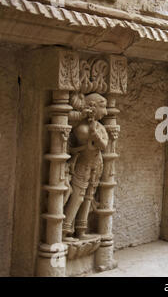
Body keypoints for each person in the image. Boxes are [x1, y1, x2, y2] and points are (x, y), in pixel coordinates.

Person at [63, 93, 109, 241]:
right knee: (78, 197)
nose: (106, 112)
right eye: (103, 107)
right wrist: (93, 134)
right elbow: (85, 139)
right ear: (92, 107)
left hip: (96, 165)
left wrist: (95, 135)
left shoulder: (100, 128)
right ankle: (65, 229)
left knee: (89, 196)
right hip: (82, 165)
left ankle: (81, 230)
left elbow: (103, 145)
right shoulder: (81, 128)